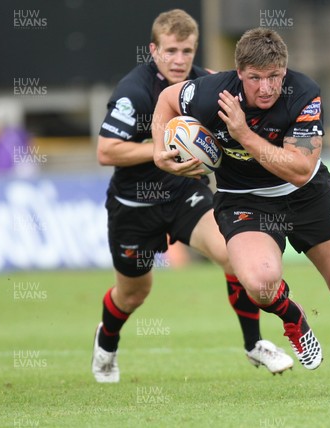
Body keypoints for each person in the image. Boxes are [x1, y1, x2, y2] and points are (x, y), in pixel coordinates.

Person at [152, 27, 330, 395]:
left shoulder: (304, 95)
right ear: (239, 73)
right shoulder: (211, 93)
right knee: (260, 284)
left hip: (306, 196)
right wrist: (160, 148)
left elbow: (300, 171)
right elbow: (166, 99)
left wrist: (243, 134)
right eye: (255, 78)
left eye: (274, 77)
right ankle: (293, 317)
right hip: (243, 199)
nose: (266, 87)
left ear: (284, 71)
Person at [92, 10, 292, 383]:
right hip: (135, 206)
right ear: (154, 50)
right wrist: (161, 147)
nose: (179, 60)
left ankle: (254, 344)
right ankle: (106, 341)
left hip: (186, 194)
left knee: (231, 253)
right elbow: (106, 151)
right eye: (171, 51)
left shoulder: (206, 85)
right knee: (134, 293)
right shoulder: (133, 91)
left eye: (187, 50)